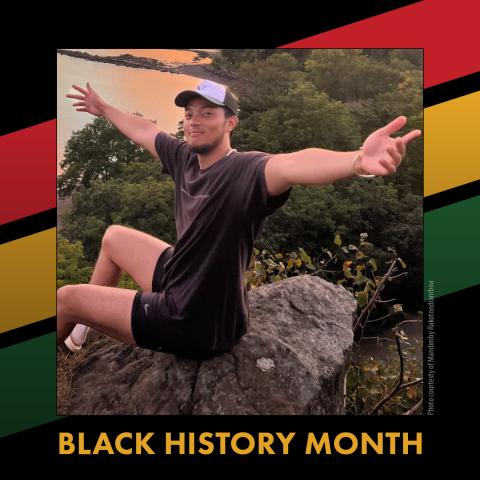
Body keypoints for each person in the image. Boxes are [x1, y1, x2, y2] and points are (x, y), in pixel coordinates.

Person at [59, 79, 421, 359]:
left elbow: (294, 163)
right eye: (189, 114)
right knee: (114, 237)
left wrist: (356, 161)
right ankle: (78, 339)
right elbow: (143, 129)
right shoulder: (184, 157)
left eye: (207, 114)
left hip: (194, 320)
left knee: (65, 298)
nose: (194, 121)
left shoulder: (246, 171)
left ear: (230, 122)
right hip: (186, 280)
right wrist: (103, 108)